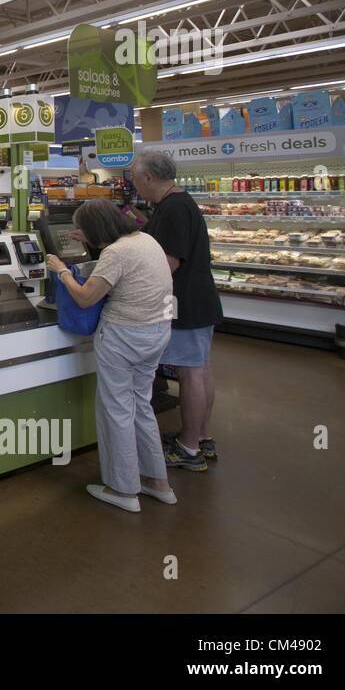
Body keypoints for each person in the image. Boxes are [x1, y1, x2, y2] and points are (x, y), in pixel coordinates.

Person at [46, 199, 176, 514]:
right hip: (157, 332)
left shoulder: (116, 252)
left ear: (97, 229)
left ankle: (122, 488)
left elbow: (86, 295)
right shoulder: (146, 241)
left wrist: (62, 272)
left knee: (115, 409)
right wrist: (87, 239)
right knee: (140, 406)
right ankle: (157, 483)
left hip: (123, 336)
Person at [130, 150, 221, 471]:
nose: (133, 182)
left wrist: (128, 280)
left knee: (190, 372)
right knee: (200, 368)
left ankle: (188, 448)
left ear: (149, 178)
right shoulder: (178, 202)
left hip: (184, 302)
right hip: (199, 300)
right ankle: (201, 437)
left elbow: (167, 263)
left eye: (134, 175)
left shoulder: (172, 209)